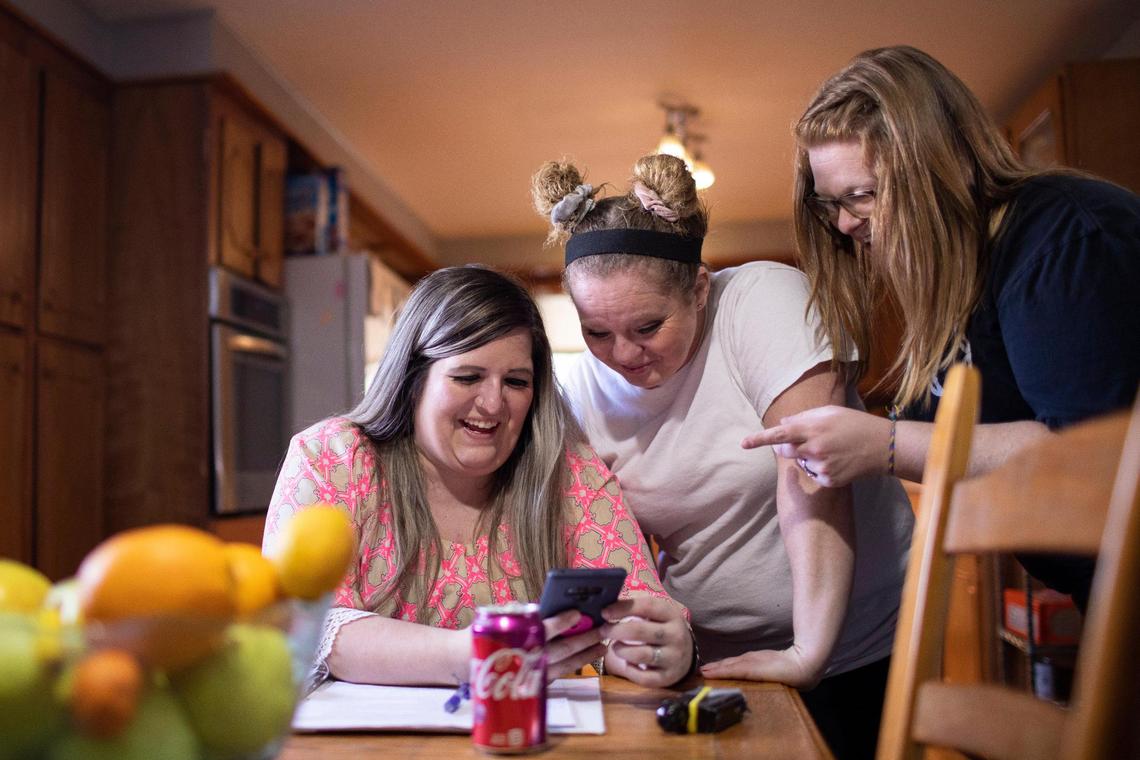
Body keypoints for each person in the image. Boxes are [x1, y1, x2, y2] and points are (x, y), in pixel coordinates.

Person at [532, 155, 914, 759]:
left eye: (647, 326)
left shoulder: (761, 299)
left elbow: (810, 474)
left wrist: (809, 652)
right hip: (712, 660)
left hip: (860, 643)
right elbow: (600, 541)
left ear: (701, 289)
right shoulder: (579, 393)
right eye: (596, 332)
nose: (623, 355)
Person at [752, 45, 1140, 613]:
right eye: (829, 202)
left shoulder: (1062, 237)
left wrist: (884, 444)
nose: (841, 222)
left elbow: (1090, 457)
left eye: (862, 194)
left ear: (938, 163)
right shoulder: (954, 271)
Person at [263, 265, 693, 689]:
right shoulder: (331, 458)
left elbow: (631, 616)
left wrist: (656, 649)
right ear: (413, 380)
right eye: (467, 377)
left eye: (516, 382)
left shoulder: (570, 474)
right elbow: (308, 625)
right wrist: (476, 655)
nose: (492, 404)